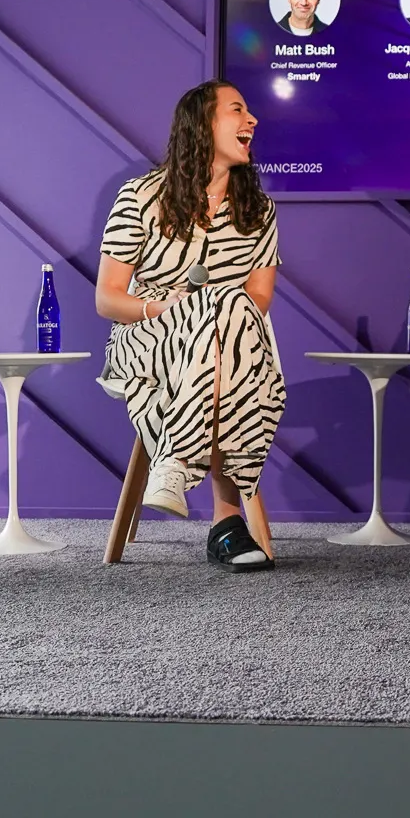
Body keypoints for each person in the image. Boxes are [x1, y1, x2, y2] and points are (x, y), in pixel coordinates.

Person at [96, 80, 287, 572]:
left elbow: (259, 299)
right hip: (147, 335)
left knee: (225, 314)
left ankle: (176, 462)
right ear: (201, 125)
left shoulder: (258, 210)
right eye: (237, 110)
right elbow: (107, 298)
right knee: (217, 323)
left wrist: (210, 308)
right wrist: (168, 310)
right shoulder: (141, 196)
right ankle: (225, 522)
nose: (253, 121)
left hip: (232, 340)